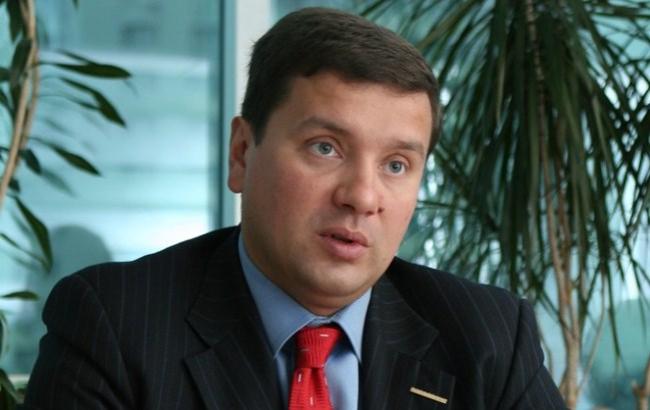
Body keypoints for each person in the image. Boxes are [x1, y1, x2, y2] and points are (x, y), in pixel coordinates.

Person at [22, 7, 566, 410]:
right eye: (325, 148)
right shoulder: (114, 326)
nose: (363, 196)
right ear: (242, 153)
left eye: (396, 164)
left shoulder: (489, 337)